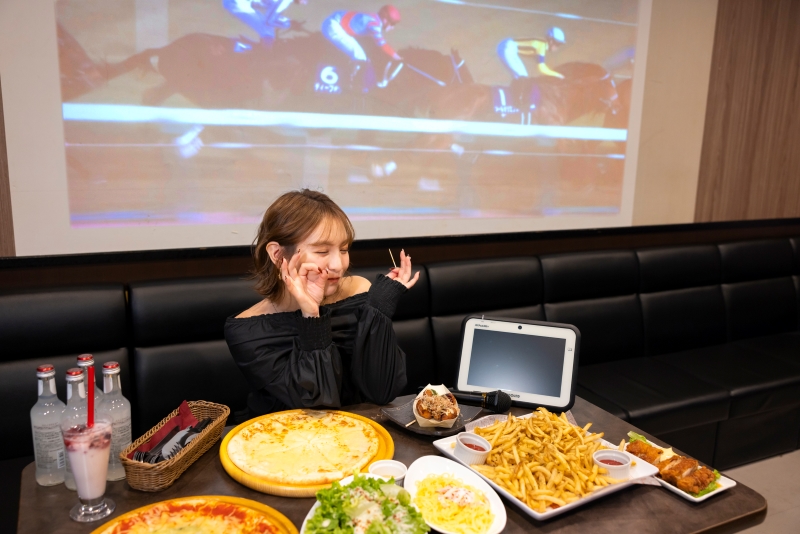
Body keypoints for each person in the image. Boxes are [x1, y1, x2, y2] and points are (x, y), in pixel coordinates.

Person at [224, 189, 419, 417]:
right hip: (282, 438)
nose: (338, 264)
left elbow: (382, 391)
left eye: (344, 249)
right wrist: (311, 315)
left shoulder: (359, 290)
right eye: (322, 251)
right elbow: (317, 412)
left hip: (360, 429)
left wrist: (378, 309)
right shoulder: (247, 330)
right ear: (278, 255)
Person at [321, 5, 402, 90]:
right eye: (393, 24)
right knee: (359, 56)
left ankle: (349, 82)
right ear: (385, 19)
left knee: (361, 54)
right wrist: (398, 57)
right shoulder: (374, 23)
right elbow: (382, 44)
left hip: (334, 23)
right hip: (334, 26)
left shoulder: (373, 19)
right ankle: (350, 86)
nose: (393, 27)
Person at [222, 0, 307, 48]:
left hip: (240, 2)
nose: (305, 2)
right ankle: (236, 47)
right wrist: (289, 24)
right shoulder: (284, 2)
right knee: (267, 32)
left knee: (268, 31)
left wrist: (289, 22)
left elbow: (271, 17)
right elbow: (269, 21)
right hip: (236, 2)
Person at [497, 26, 566, 80]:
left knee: (519, 77)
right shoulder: (542, 46)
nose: (557, 47)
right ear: (551, 41)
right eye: (557, 44)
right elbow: (542, 68)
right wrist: (557, 75)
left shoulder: (542, 43)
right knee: (523, 77)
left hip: (507, 47)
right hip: (508, 48)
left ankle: (514, 96)